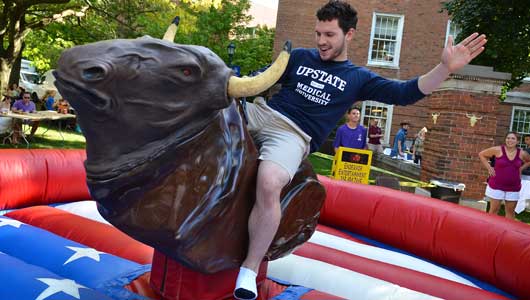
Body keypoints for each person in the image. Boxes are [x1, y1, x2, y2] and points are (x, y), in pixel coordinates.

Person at [233, 1, 487, 299]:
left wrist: (444, 67)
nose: (321, 41)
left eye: (329, 35)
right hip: (261, 112)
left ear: (349, 35)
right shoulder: (299, 57)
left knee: (270, 181)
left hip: (292, 136)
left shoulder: (358, 78)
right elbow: (256, 80)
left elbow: (404, 93)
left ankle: (248, 270)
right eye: (318, 34)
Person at [479, 132, 530, 219]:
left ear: (517, 141)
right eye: (508, 138)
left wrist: (521, 169)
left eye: (513, 138)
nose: (510, 140)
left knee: (510, 212)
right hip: (496, 185)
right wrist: (489, 167)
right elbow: (481, 154)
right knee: (494, 210)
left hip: (513, 187)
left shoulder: (522, 153)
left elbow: (528, 161)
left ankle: (507, 231)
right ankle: (491, 230)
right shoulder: (497, 150)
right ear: (505, 139)